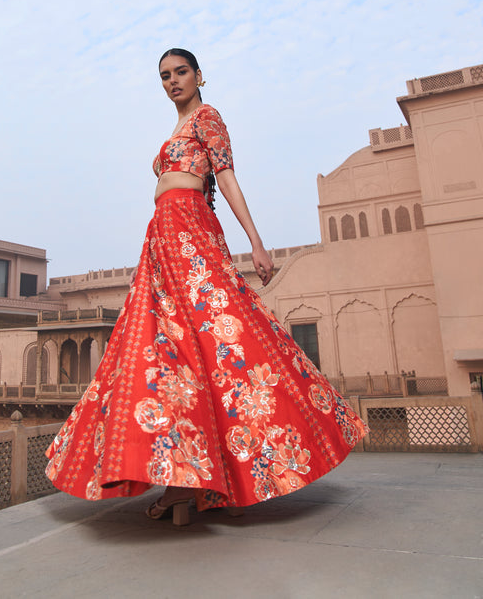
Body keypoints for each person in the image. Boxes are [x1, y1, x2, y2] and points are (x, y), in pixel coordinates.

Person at [46, 48, 367, 525]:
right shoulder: (175, 130)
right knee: (167, 347)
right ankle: (184, 481)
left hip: (190, 229)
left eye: (180, 73)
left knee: (222, 333)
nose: (172, 81)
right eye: (164, 76)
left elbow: (227, 179)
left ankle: (210, 474)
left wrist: (256, 242)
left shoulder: (208, 117)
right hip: (161, 235)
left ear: (198, 75)